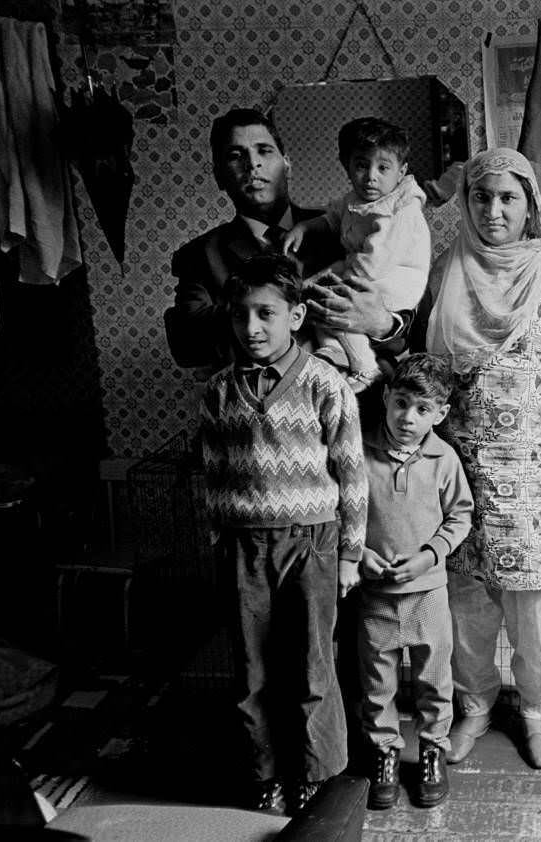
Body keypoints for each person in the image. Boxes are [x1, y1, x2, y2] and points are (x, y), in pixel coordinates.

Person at [415, 148, 541, 769]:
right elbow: (424, 375)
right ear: (468, 205)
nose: (494, 210)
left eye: (508, 198)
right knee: (466, 605)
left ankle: (535, 711)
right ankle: (473, 706)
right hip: (459, 470)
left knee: (537, 608)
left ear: (531, 206)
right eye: (481, 197)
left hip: (534, 475)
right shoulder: (444, 272)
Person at [198, 253, 367, 816]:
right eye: (241, 314)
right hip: (244, 543)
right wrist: (218, 534)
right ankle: (264, 772)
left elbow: (350, 472)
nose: (252, 328)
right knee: (251, 668)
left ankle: (317, 776)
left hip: (312, 542)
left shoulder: (325, 382)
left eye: (266, 313)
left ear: (296, 316)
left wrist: (350, 553)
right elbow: (214, 470)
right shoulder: (219, 391)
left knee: (313, 664)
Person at [164, 107, 407, 381]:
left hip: (364, 407)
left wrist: (384, 324)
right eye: (236, 155)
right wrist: (271, 308)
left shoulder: (348, 226)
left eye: (264, 151)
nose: (252, 164)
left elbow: (404, 329)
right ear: (219, 176)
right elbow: (187, 346)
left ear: (287, 164)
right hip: (268, 413)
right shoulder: (199, 256)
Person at [357, 352, 472, 810]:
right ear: (386, 398)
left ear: (440, 414)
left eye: (422, 409)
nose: (408, 417)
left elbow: (460, 518)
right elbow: (346, 515)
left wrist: (428, 557)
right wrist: (358, 554)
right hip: (375, 595)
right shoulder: (359, 453)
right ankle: (384, 751)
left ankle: (431, 751)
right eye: (401, 403)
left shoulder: (444, 460)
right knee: (376, 681)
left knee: (433, 678)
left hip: (428, 593)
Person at [283, 117, 430, 395]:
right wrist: (305, 227)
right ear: (347, 166)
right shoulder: (356, 199)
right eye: (362, 165)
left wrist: (335, 275)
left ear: (401, 172)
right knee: (323, 308)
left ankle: (365, 367)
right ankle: (334, 350)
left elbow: (375, 261)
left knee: (335, 301)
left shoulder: (400, 209)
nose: (371, 176)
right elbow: (333, 218)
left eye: (383, 167)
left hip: (396, 276)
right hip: (368, 270)